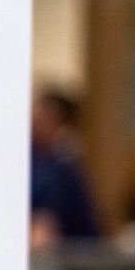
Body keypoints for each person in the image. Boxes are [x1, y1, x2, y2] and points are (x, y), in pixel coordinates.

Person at [30, 89, 101, 250]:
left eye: (42, 118)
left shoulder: (62, 170)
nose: (33, 123)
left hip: (69, 259)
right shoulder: (30, 160)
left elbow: (42, 233)